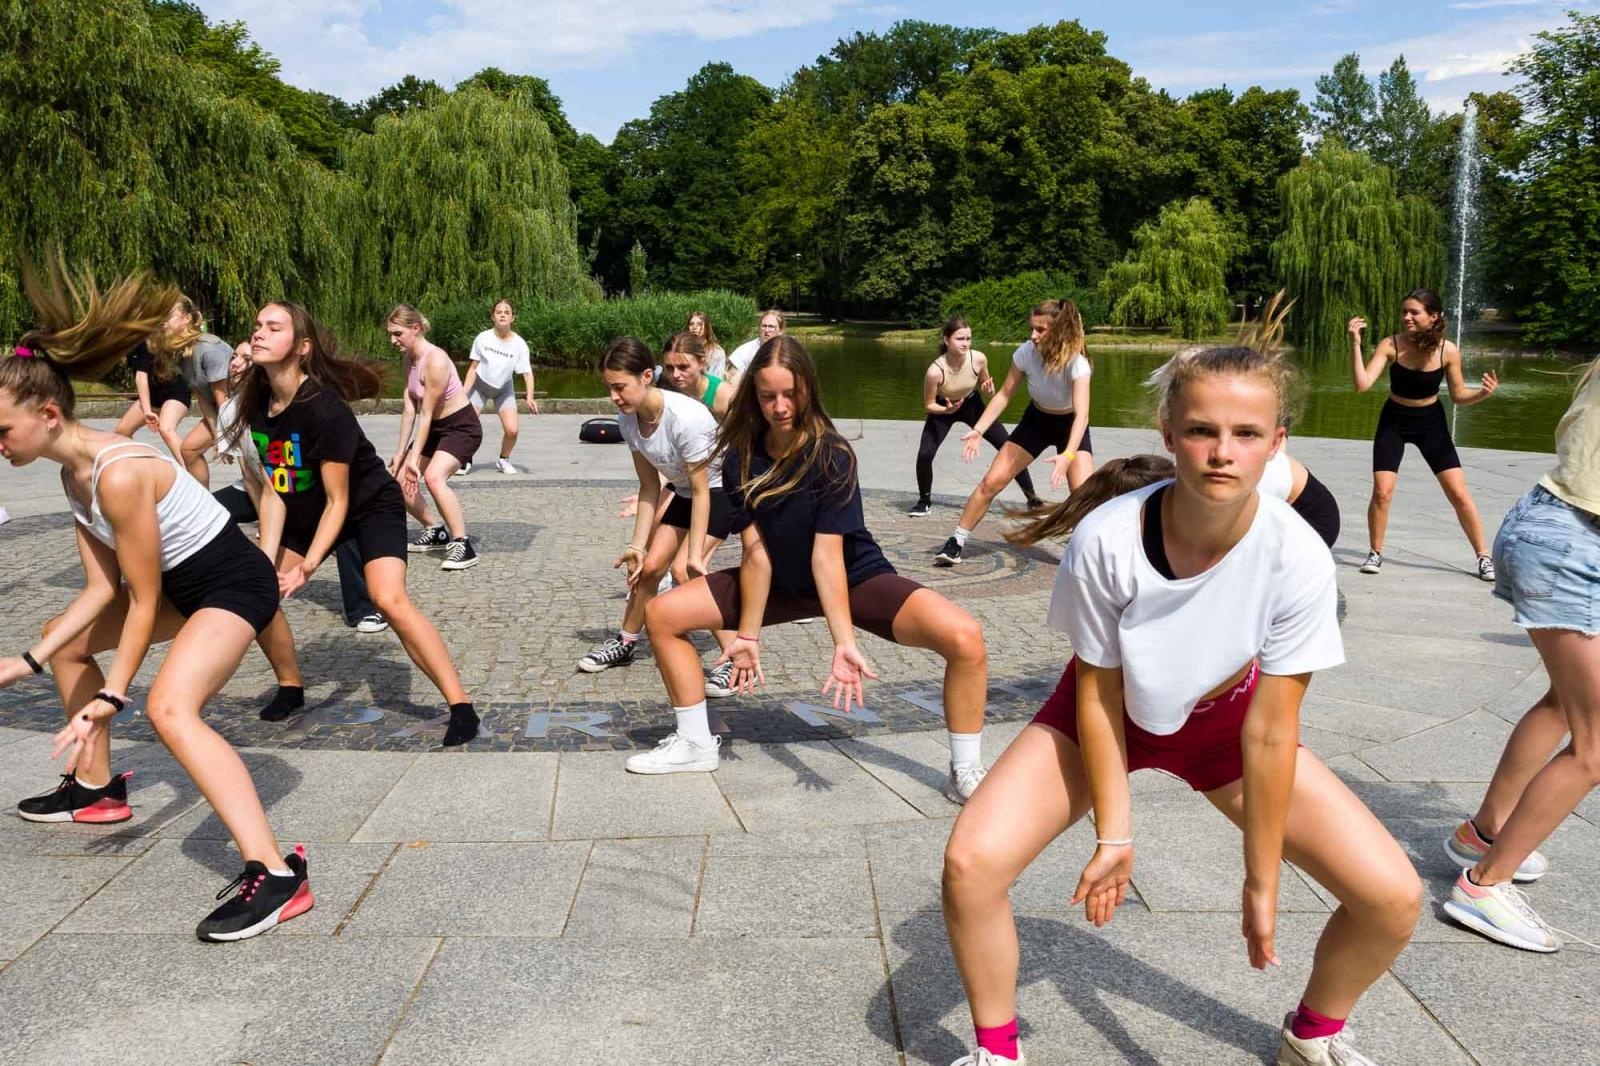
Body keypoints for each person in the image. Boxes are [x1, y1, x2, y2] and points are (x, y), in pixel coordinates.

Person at [940, 317, 1421, 1066]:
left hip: (1227, 728)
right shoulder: (1107, 536)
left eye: (1246, 433)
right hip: (1098, 715)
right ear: (1168, 432)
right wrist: (1115, 834)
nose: (1223, 452)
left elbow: (1270, 733)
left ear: (1277, 441)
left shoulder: (1297, 557)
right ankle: (998, 1051)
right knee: (971, 864)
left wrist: (1261, 881)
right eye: (1201, 429)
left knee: (1392, 899)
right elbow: (1096, 693)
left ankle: (1315, 1031)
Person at [0, 261, 314, 941]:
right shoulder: (72, 478)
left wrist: (112, 695)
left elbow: (141, 603)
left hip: (234, 582)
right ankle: (96, 789)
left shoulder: (119, 473)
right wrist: (25, 660)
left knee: (172, 708)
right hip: (182, 586)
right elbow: (99, 591)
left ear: (48, 414)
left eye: (3, 432)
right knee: (64, 631)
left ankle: (278, 874)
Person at [628, 336, 994, 804]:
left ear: (808, 389)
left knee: (966, 638)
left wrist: (844, 642)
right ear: (753, 396)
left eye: (791, 393)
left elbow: (828, 558)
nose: (780, 406)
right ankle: (695, 743)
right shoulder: (741, 453)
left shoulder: (832, 454)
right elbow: (756, 553)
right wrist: (749, 635)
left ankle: (964, 772)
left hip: (853, 576)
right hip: (780, 580)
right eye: (767, 396)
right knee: (662, 615)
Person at [224, 300, 479, 746]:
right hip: (305, 511)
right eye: (257, 325)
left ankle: (461, 706)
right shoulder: (256, 402)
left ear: (302, 347)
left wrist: (309, 564)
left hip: (366, 506)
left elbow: (339, 500)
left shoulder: (324, 408)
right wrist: (268, 559)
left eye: (273, 327)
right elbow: (272, 492)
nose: (259, 333)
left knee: (388, 597)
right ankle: (291, 686)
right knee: (257, 584)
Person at [1440, 355, 1600, 953]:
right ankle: (1485, 884)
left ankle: (1483, 836)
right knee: (1595, 746)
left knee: (1565, 702)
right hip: (1571, 542)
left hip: (1551, 523)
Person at [578, 338, 738, 699]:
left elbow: (702, 492)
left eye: (620, 387)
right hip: (685, 492)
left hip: (722, 491)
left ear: (647, 376)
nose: (614, 397)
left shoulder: (685, 419)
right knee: (649, 568)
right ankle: (626, 641)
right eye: (609, 388)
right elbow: (649, 486)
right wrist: (636, 545)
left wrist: (695, 553)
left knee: (684, 570)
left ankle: (733, 658)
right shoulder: (628, 418)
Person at [213, 342, 388, 640]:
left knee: (345, 532)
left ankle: (362, 606)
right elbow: (255, 478)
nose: (237, 363)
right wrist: (267, 533)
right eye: (236, 357)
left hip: (324, 494)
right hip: (282, 494)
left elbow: (336, 492)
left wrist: (307, 563)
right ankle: (288, 677)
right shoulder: (233, 410)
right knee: (257, 587)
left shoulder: (315, 405)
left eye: (244, 357)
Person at [1349, 288, 1498, 580]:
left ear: (1434, 317)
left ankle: (1483, 557)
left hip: (1431, 421)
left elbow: (1458, 396)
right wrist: (1355, 344)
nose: (1406, 317)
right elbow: (1362, 384)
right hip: (1395, 418)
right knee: (1382, 491)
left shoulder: (1448, 350)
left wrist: (1482, 393)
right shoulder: (1390, 344)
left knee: (1458, 493)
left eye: (1414, 312)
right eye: (1404, 311)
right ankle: (1375, 552)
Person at [935, 299, 1094, 566]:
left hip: (1071, 426)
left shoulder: (1077, 364)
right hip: (1036, 421)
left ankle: (1090, 551)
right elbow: (1004, 395)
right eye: (1032, 328)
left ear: (1059, 331)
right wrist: (978, 430)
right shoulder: (1025, 353)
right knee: (991, 482)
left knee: (1085, 494)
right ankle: (956, 542)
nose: (1033, 335)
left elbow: (1082, 416)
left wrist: (1068, 455)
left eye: (1041, 330)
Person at [911, 318, 1043, 518]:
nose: (965, 343)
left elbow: (985, 383)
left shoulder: (979, 359)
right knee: (925, 454)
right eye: (959, 339)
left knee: (1009, 448)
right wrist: (946, 411)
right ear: (947, 340)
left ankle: (1033, 500)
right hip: (944, 407)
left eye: (968, 338)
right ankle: (924, 501)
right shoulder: (934, 371)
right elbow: (929, 404)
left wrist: (987, 388)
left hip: (972, 405)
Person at [387, 305, 482, 571]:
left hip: (461, 427)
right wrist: (400, 453)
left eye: (397, 333)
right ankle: (434, 529)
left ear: (415, 329)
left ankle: (462, 544)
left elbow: (426, 414)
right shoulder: (409, 359)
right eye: (390, 334)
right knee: (396, 479)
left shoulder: (436, 359)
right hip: (436, 428)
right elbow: (409, 409)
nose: (392, 340)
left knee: (433, 477)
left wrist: (415, 459)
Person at [461, 299, 536, 475]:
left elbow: (527, 373)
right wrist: (463, 393)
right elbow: (473, 368)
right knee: (467, 425)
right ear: (493, 316)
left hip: (503, 388)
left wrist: (530, 397)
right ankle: (465, 459)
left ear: (512, 318)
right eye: (498, 312)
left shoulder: (519, 344)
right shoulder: (482, 338)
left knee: (512, 430)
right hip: (479, 386)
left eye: (507, 312)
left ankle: (504, 459)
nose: (502, 314)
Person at [112, 298, 195, 444]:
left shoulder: (147, 340)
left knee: (166, 430)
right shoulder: (131, 340)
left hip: (173, 393)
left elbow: (141, 377)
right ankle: (142, 465)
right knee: (121, 432)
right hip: (153, 395)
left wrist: (147, 411)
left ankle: (187, 465)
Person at [724, 309, 785, 387]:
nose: (766, 330)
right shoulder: (745, 351)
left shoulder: (789, 351)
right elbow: (732, 385)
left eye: (771, 326)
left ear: (781, 330)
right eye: (764, 326)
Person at [686, 310, 729, 379]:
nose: (695, 327)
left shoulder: (716, 352)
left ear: (706, 327)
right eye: (691, 324)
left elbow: (717, 379)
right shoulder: (683, 348)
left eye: (699, 324)